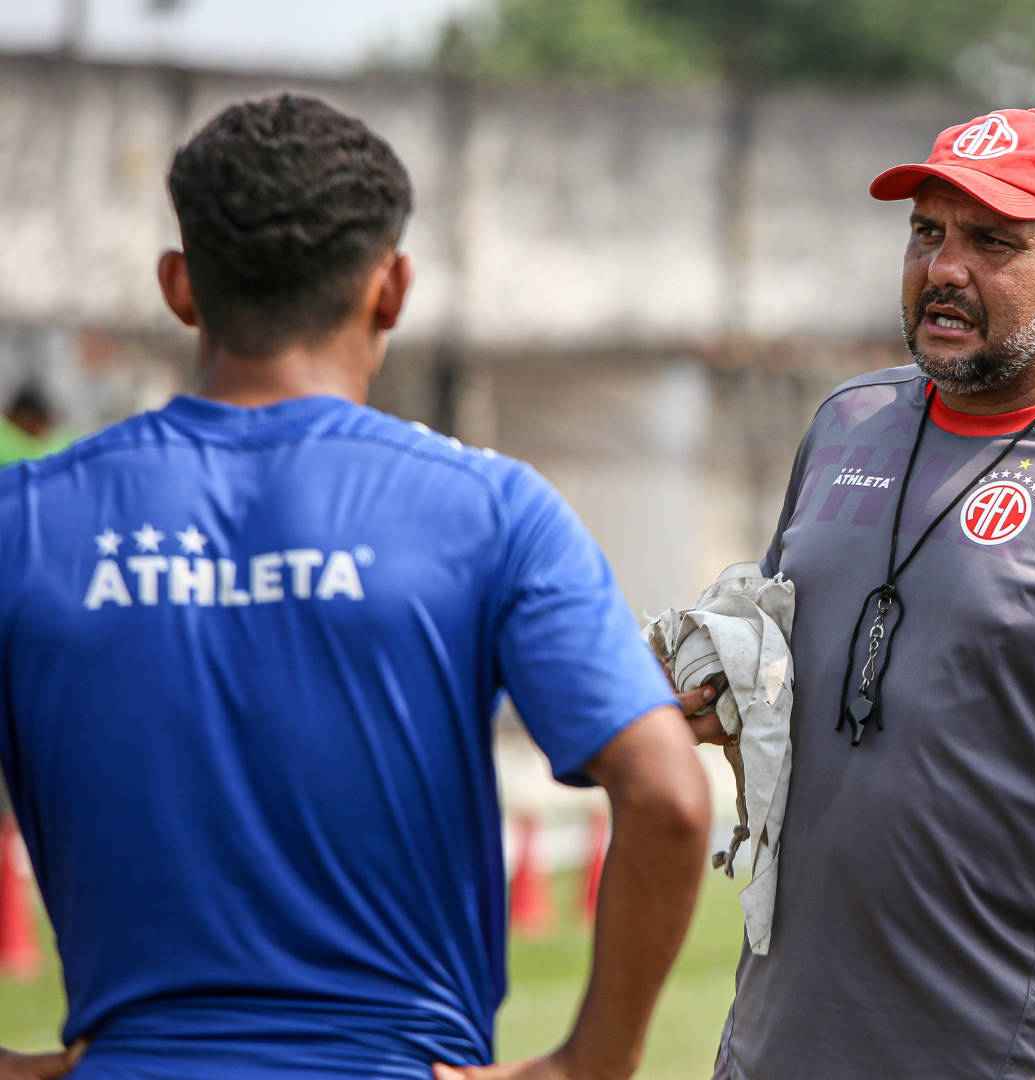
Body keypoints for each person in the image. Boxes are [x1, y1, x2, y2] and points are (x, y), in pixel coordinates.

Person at [0, 94, 711, 1080]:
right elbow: (671, 797)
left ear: (179, 286)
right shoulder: (488, 512)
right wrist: (590, 1065)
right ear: (392, 287)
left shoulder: (25, 518)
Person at [701, 107, 1035, 1080]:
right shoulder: (847, 423)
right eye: (927, 232)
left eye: (994, 242)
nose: (945, 269)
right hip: (778, 1049)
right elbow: (792, 690)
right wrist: (723, 694)